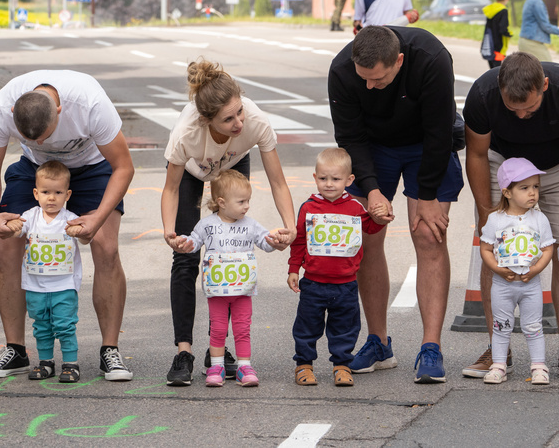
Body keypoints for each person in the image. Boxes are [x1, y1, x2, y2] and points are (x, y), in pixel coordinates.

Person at [0, 70, 135, 381]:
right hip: (38, 171)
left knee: (105, 246)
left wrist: (98, 217)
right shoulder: (2, 106)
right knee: (5, 243)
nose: (39, 142)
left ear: (60, 110)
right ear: (13, 113)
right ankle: (16, 350)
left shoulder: (89, 103)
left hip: (92, 166)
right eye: (31, 138)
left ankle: (110, 351)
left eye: (45, 136)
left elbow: (123, 166)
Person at [328, 25, 464, 384]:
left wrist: (429, 196)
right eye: (364, 79)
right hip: (373, 146)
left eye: (378, 79)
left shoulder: (432, 59)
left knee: (428, 236)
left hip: (426, 144)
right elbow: (350, 137)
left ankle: (431, 347)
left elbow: (438, 132)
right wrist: (371, 189)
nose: (369, 86)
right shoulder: (343, 70)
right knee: (367, 238)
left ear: (399, 61)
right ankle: (378, 342)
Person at [462, 52, 559, 382]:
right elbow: (478, 154)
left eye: (530, 107)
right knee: (495, 249)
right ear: (499, 89)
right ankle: (499, 350)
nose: (522, 115)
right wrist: (486, 214)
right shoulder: (482, 96)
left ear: (545, 86)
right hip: (505, 163)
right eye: (514, 108)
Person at [161, 59, 296, 387]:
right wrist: (170, 232)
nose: (238, 122)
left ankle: (217, 352)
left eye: (239, 112)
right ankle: (184, 352)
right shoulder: (187, 133)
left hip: (233, 163)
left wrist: (289, 227)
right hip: (192, 173)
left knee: (231, 254)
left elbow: (278, 181)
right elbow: (170, 188)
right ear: (207, 120)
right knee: (186, 259)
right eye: (228, 119)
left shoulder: (255, 122)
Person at [169, 170, 285, 387]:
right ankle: (216, 366)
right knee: (219, 328)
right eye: (241, 201)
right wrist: (184, 243)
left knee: (242, 328)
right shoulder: (207, 225)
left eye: (248, 200)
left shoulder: (250, 224)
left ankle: (244, 366)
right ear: (221, 202)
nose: (247, 206)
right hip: (218, 292)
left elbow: (265, 241)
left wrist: (276, 240)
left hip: (243, 291)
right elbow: (194, 241)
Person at [288, 148, 388, 387]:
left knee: (345, 328)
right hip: (313, 282)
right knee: (306, 326)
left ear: (349, 180)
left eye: (335, 179)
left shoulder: (355, 208)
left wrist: (380, 218)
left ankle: (342, 365)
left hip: (346, 283)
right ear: (315, 178)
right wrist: (293, 269)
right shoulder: (308, 208)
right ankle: (304, 364)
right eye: (323, 178)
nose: (329, 184)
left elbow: (371, 229)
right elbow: (299, 240)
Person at [5, 161, 86, 383]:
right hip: (35, 286)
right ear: (36, 193)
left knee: (65, 326)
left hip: (64, 285)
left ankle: (70, 364)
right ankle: (46, 362)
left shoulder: (69, 219)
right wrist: (12, 227)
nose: (51, 198)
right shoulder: (31, 216)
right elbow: (16, 233)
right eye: (45, 192)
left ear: (67, 194)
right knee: (41, 326)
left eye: (58, 192)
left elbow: (87, 237)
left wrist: (80, 231)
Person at [478, 158, 555, 385]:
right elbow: (485, 248)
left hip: (530, 284)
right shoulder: (495, 219)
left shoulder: (540, 218)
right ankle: (499, 365)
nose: (532, 193)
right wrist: (498, 270)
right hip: (503, 284)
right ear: (507, 192)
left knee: (533, 326)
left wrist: (536, 269)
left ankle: (539, 366)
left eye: (535, 187)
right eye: (524, 188)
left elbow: (548, 248)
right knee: (501, 325)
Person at [481, 0, 512, 68]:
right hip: (499, 47)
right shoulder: (503, 11)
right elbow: (503, 28)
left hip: (489, 46)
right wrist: (509, 34)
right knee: (498, 71)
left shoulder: (490, 10)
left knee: (492, 69)